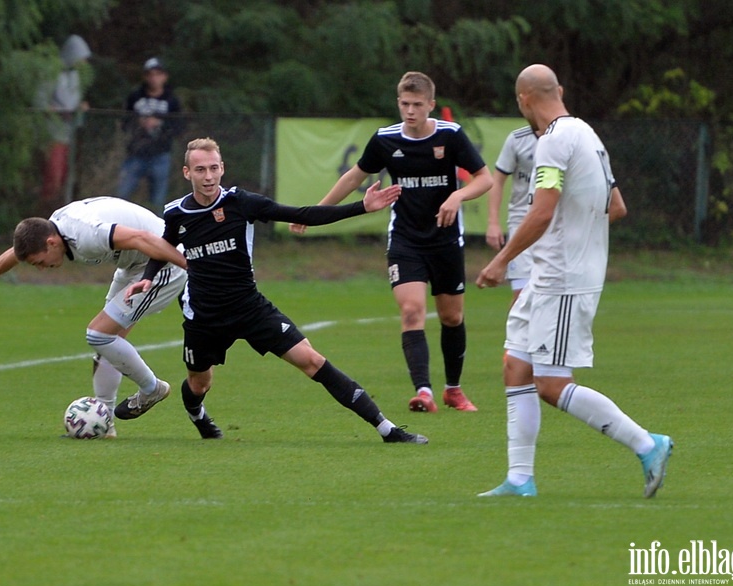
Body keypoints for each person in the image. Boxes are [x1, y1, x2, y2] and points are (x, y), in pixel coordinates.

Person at [124, 137, 428, 444]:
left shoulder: (241, 203)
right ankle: (197, 415)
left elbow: (301, 214)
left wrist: (361, 206)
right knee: (199, 383)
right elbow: (164, 246)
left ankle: (386, 428)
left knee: (311, 360)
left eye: (214, 168)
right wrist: (148, 276)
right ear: (187, 172)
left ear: (222, 168)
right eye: (200, 169)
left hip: (250, 308)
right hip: (204, 315)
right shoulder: (177, 213)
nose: (208, 176)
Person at [475, 64, 673, 498]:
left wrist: (501, 261)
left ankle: (647, 443)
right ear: (558, 91)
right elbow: (615, 205)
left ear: (523, 100)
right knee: (516, 366)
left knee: (549, 383)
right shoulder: (586, 134)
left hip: (562, 279)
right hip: (550, 275)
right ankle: (520, 479)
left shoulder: (552, 141)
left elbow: (542, 211)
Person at [291, 71, 494, 414]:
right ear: (398, 103)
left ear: (430, 104)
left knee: (452, 317)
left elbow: (484, 179)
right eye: (404, 104)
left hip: (444, 240)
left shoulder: (451, 136)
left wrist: (457, 197)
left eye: (417, 104)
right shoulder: (385, 140)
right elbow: (354, 176)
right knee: (412, 311)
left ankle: (453, 390)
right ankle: (424, 391)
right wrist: (315, 212)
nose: (410, 111)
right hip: (406, 240)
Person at [0, 197, 188, 438]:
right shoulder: (51, 231)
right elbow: (17, 254)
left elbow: (144, 238)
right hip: (133, 265)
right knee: (107, 344)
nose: (41, 268)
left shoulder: (86, 235)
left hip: (164, 263)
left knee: (98, 334)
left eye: (39, 262)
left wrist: (190, 264)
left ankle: (152, 389)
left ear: (51, 242)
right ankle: (105, 422)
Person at [34, 35, 92, 215]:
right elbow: (41, 101)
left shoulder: (77, 77)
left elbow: (75, 101)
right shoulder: (52, 74)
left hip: (71, 134)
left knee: (67, 176)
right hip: (53, 133)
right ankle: (43, 213)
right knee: (53, 175)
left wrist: (81, 108)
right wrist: (56, 111)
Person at [117, 57, 183, 210]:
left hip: (160, 155)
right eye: (150, 74)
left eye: (158, 74)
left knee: (157, 201)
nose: (154, 78)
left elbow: (179, 126)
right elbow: (124, 122)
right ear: (145, 77)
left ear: (164, 76)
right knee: (121, 195)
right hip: (135, 154)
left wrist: (159, 123)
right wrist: (138, 122)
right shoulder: (135, 97)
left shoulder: (172, 100)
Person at [486, 125, 538, 305]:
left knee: (551, 295)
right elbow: (497, 180)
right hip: (521, 222)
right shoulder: (517, 139)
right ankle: (515, 335)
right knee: (521, 297)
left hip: (557, 224)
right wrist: (493, 223)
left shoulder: (567, 136)